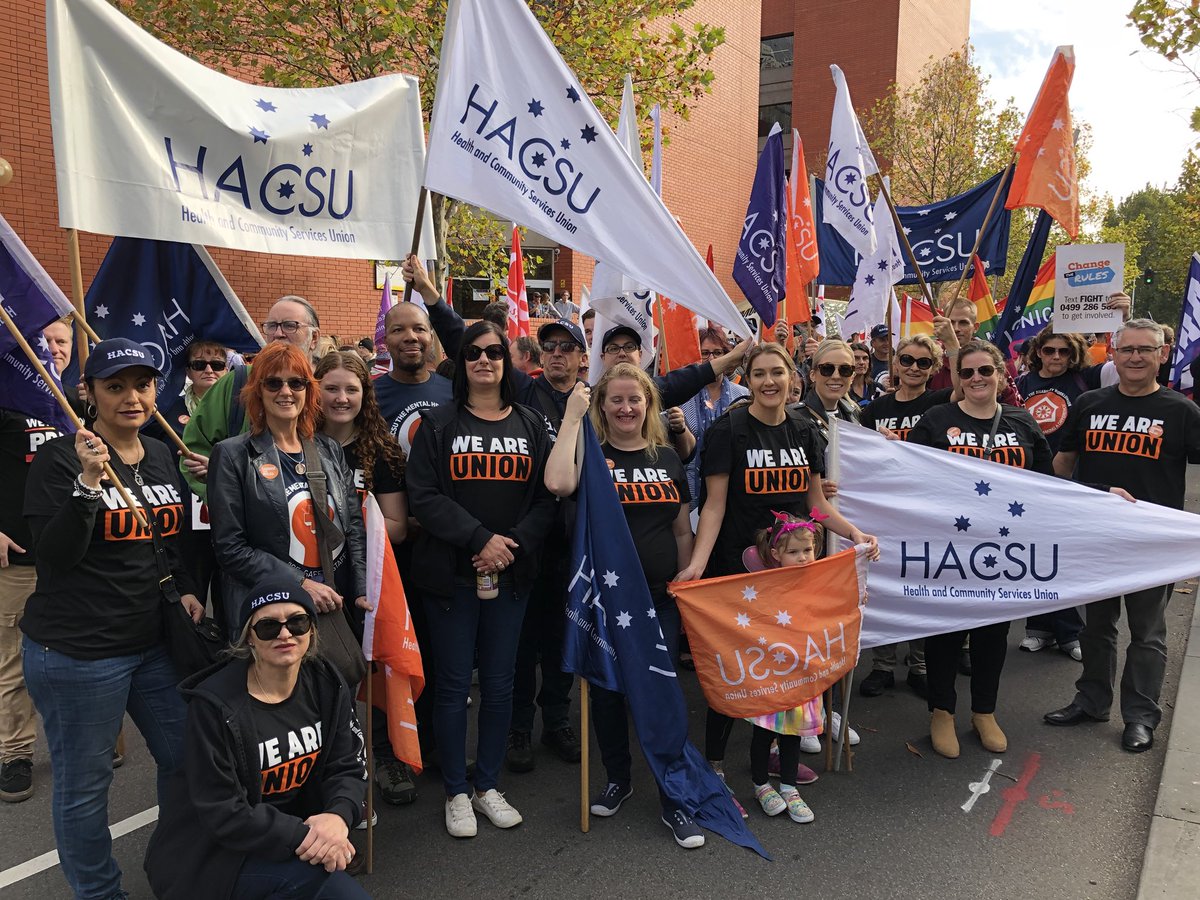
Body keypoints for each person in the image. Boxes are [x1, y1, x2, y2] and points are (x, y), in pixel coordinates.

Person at [22, 338, 204, 898]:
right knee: (84, 788)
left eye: (142, 385)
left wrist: (191, 590)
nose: (132, 397)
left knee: (187, 760)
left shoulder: (161, 452)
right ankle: (99, 893)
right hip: (78, 652)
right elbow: (51, 556)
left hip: (152, 643)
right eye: (115, 386)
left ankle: (174, 862)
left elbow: (173, 543)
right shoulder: (60, 458)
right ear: (90, 394)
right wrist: (86, 485)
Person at [675, 343, 878, 813]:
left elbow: (815, 505)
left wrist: (854, 534)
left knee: (782, 669)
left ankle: (768, 759)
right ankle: (716, 765)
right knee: (738, 671)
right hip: (739, 572)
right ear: (749, 380)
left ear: (793, 379)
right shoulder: (729, 429)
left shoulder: (805, 428)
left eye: (778, 373)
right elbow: (716, 505)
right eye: (760, 373)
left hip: (793, 576)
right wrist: (699, 565)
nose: (769, 382)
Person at [406, 322, 557, 837]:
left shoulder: (532, 423)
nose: (485, 360)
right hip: (451, 578)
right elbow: (423, 495)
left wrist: (508, 546)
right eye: (473, 352)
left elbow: (546, 498)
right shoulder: (438, 424)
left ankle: (487, 785)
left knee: (499, 684)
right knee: (451, 687)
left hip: (511, 577)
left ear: (507, 360)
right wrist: (479, 540)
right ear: (462, 360)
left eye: (495, 351)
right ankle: (454, 791)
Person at [544, 367, 706, 848]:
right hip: (606, 602)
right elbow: (556, 484)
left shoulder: (666, 457)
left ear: (649, 404)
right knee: (608, 693)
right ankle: (618, 776)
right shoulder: (591, 457)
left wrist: (687, 576)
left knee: (660, 696)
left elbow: (680, 529)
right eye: (615, 400)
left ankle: (674, 796)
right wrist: (572, 416)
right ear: (602, 405)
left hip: (660, 597)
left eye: (635, 399)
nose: (626, 408)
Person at [145, 580, 369, 900]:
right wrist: (310, 837)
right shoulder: (214, 707)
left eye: (297, 621)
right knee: (325, 887)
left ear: (312, 631)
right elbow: (223, 810)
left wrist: (337, 816)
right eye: (267, 627)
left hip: (285, 837)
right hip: (217, 856)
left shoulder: (326, 683)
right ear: (249, 637)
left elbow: (345, 765)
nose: (285, 634)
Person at [1044, 320, 1200, 753]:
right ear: (1112, 354)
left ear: (1162, 354)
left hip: (1153, 544)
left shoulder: (1181, 412)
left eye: (1145, 350)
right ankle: (1092, 701)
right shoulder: (1090, 403)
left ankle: (1140, 717)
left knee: (1147, 634)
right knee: (1097, 628)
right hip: (1096, 538)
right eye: (1127, 349)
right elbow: (1063, 463)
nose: (1135, 357)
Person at [909, 339, 1053, 759]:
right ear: (957, 378)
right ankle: (941, 710)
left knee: (993, 633)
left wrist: (1103, 494)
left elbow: (1050, 486)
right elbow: (908, 479)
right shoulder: (936, 420)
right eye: (967, 372)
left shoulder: (1023, 422)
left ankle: (984, 712)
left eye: (984, 371)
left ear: (1001, 376)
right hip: (949, 549)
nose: (976, 379)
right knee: (946, 634)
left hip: (1006, 551)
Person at [207, 342, 367, 638]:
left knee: (336, 681)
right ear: (258, 391)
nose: (285, 391)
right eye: (273, 383)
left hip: (333, 598)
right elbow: (230, 547)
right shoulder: (232, 455)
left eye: (296, 382)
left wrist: (359, 588)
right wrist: (301, 583)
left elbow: (353, 526)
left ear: (309, 391)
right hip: (271, 608)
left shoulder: (328, 449)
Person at [316, 351, 414, 805]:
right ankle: (327, 766)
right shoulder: (296, 444)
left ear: (365, 395)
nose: (341, 398)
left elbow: (397, 523)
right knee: (319, 675)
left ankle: (384, 756)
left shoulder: (382, 450)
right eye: (331, 388)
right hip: (311, 579)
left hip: (366, 582)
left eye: (351, 389)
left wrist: (356, 522)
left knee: (370, 667)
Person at [0, 320, 72, 803]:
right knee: (13, 663)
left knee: (86, 653)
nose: (52, 349)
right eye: (43, 340)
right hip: (21, 558)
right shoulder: (7, 402)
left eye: (62, 341)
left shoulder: (84, 404)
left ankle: (99, 736)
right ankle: (15, 753)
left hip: (79, 558)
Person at [857, 333, 951, 699]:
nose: (914, 368)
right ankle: (882, 665)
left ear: (935, 368)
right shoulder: (873, 411)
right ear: (895, 364)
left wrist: (952, 341)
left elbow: (966, 383)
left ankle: (919, 665)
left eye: (923, 362)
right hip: (885, 509)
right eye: (907, 360)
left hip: (929, 508)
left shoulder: (942, 403)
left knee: (923, 586)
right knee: (884, 585)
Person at [181, 294, 324, 499]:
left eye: (290, 326)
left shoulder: (331, 387)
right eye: (272, 326)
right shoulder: (235, 383)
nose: (278, 333)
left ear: (315, 338)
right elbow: (194, 451)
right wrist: (227, 498)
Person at [1013, 326, 1100, 659]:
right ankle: (1039, 628)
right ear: (1038, 352)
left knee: (1063, 556)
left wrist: (1119, 314)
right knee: (1036, 555)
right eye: (1049, 350)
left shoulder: (1085, 381)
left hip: (1070, 480)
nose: (1056, 357)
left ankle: (1068, 632)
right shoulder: (1022, 384)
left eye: (1063, 351)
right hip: (1030, 480)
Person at [744, 513, 823, 825]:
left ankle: (789, 787)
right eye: (793, 552)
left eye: (808, 550)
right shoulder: (766, 585)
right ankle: (761, 784)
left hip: (803, 672)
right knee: (764, 730)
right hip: (771, 674)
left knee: (794, 731)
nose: (802, 558)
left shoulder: (821, 580)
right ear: (775, 555)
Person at [679, 327, 749, 511]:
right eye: (705, 353)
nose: (711, 359)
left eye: (718, 353)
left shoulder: (743, 396)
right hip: (690, 493)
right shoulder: (681, 397)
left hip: (734, 495)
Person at [849, 341, 883, 407]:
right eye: (856, 358)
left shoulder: (877, 388)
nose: (861, 362)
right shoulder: (843, 391)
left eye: (865, 358)